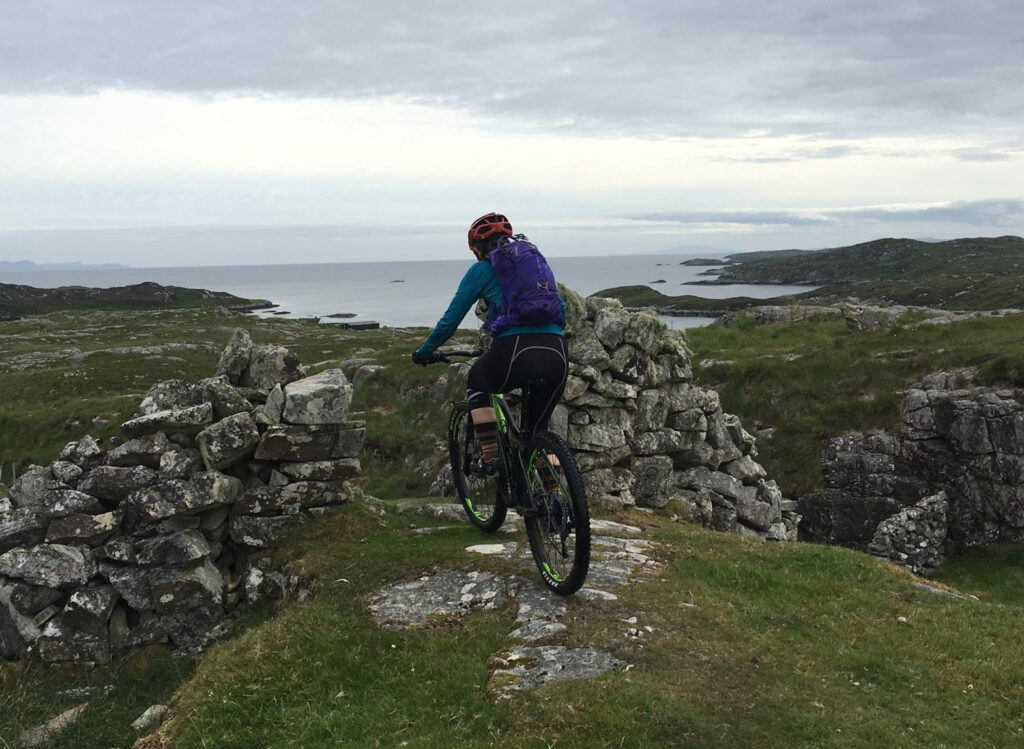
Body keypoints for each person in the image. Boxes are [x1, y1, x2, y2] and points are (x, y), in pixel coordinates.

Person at [412, 213, 568, 468]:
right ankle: (554, 501)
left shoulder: (481, 270)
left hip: (514, 349)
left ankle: (491, 457)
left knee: (477, 382)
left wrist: (424, 351)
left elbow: (450, 321)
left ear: (477, 249)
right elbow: (562, 310)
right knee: (537, 435)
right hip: (557, 351)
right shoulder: (535, 267)